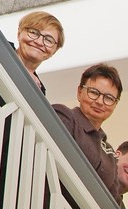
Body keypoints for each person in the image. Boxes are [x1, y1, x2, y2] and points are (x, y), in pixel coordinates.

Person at [53, 63, 123, 200]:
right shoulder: (64, 116)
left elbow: (114, 200)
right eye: (93, 93)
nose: (99, 102)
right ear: (80, 92)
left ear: (115, 104)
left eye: (108, 98)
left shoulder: (109, 152)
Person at [14, 11, 63, 93]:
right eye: (33, 32)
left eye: (48, 40)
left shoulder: (38, 91)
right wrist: (22, 73)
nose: (39, 42)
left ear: (54, 51)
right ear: (19, 33)